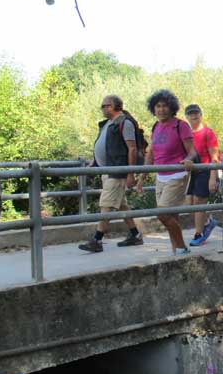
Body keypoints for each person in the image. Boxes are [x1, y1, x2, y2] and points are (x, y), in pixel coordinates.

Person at [79, 95, 144, 253]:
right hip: (107, 170)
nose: (102, 108)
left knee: (106, 204)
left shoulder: (124, 122)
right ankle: (135, 235)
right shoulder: (108, 124)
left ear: (114, 106)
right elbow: (105, 145)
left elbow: (132, 148)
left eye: (105, 105)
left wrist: (130, 173)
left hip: (117, 171)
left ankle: (97, 240)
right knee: (122, 205)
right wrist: (94, 162)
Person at [135, 90, 195, 255]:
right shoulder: (156, 127)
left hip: (177, 175)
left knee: (162, 213)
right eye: (158, 106)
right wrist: (142, 179)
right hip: (160, 176)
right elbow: (151, 154)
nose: (161, 109)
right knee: (171, 216)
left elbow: (192, 151)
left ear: (171, 108)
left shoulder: (180, 125)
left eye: (164, 106)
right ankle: (176, 250)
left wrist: (189, 159)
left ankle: (182, 246)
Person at [184, 103, 221, 246]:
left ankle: (199, 235)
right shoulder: (186, 134)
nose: (193, 116)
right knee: (190, 204)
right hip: (192, 173)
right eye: (190, 114)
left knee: (199, 202)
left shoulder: (208, 133)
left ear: (200, 115)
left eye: (196, 113)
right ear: (186, 116)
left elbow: (215, 156)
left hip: (205, 171)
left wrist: (213, 177)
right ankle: (208, 222)